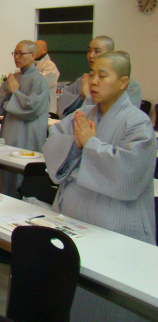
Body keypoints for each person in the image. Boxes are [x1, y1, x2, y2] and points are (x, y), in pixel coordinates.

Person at [43, 52, 156, 321]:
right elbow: (54, 138)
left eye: (102, 76)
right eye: (92, 74)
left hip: (114, 227)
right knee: (75, 298)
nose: (93, 81)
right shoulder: (83, 115)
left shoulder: (137, 123)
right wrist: (77, 146)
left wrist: (90, 146)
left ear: (123, 82)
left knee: (109, 306)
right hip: (78, 222)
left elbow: (129, 174)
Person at [57, 36, 142, 117]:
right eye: (89, 51)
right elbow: (63, 108)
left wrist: (89, 97)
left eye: (97, 51)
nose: (91, 55)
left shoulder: (132, 87)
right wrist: (81, 98)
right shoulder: (82, 81)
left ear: (110, 53)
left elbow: (124, 116)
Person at [0, 40, 50, 152]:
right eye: (15, 53)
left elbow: (32, 109)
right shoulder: (13, 78)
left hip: (28, 133)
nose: (16, 57)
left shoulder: (39, 81)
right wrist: (8, 95)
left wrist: (15, 93)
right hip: (9, 129)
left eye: (21, 53)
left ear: (33, 55)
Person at [35, 40, 60, 114]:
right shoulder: (32, 64)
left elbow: (41, 83)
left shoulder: (50, 66)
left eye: (36, 48)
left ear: (44, 50)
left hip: (47, 107)